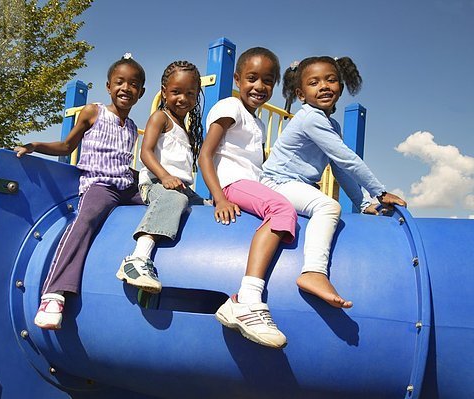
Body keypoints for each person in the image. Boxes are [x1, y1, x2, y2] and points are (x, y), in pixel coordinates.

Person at [261, 56, 407, 309]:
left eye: (331, 80)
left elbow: (339, 168)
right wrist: (379, 192)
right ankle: (313, 272)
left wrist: (362, 203)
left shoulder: (331, 124)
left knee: (328, 202)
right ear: (301, 93)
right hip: (277, 182)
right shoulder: (310, 118)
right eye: (314, 82)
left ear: (340, 86)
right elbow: (348, 159)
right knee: (328, 207)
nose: (324, 86)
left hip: (296, 185)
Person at [14, 55, 146, 329]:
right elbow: (66, 146)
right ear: (108, 86)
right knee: (84, 220)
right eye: (120, 82)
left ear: (141, 93)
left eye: (133, 84)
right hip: (100, 185)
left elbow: (123, 163)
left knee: (157, 201)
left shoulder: (133, 128)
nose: (126, 88)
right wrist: (36, 145)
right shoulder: (93, 112)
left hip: (125, 185)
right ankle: (53, 294)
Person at [198, 47, 297, 349]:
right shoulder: (230, 106)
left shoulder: (258, 122)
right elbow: (205, 154)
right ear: (238, 79)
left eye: (268, 81)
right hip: (231, 183)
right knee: (282, 208)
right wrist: (219, 197)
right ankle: (247, 299)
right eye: (252, 78)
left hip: (249, 182)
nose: (260, 86)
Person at [117, 60, 206, 293]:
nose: (182, 99)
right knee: (175, 200)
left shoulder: (185, 128)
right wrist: (164, 176)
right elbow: (145, 153)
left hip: (180, 187)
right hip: (156, 183)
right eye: (176, 92)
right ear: (164, 92)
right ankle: (137, 259)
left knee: (207, 207)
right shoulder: (160, 118)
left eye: (190, 93)